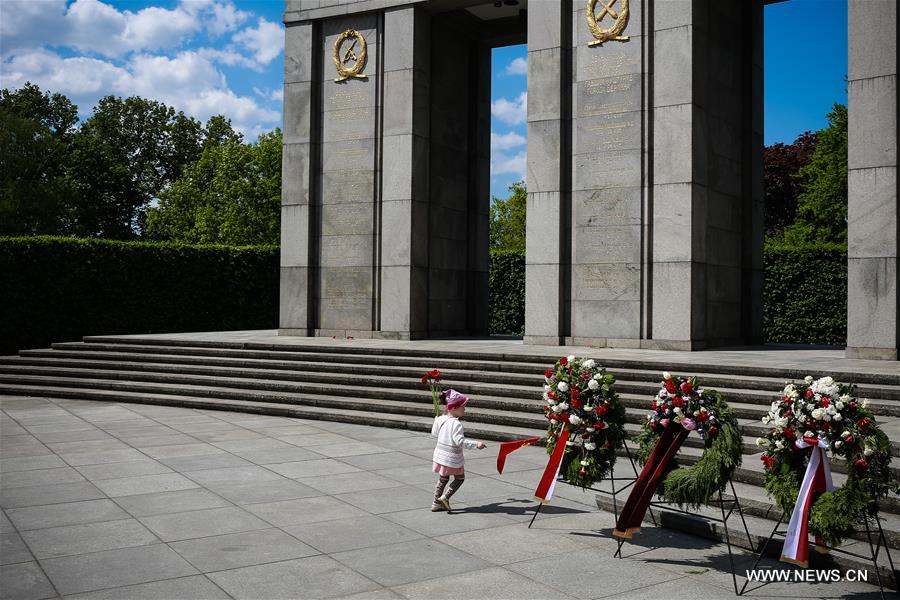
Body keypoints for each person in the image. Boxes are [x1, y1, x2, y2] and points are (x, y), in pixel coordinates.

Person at [431, 389, 486, 512]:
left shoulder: (441, 419)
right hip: (451, 458)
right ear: (454, 407)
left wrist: (436, 420)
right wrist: (476, 444)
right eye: (463, 407)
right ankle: (444, 497)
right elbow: (460, 442)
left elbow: (434, 433)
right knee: (460, 478)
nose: (465, 409)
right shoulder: (456, 424)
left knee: (443, 479)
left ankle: (435, 502)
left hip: (440, 456)